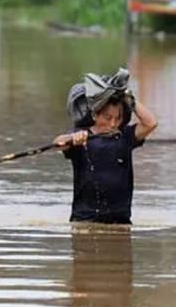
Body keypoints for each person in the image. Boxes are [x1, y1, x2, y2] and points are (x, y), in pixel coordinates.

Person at [53, 87, 158, 225]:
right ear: (95, 115)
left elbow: (151, 123)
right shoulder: (81, 137)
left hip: (121, 220)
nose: (113, 123)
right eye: (108, 118)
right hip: (84, 220)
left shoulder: (125, 137)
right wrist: (72, 137)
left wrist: (129, 99)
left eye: (117, 118)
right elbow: (57, 144)